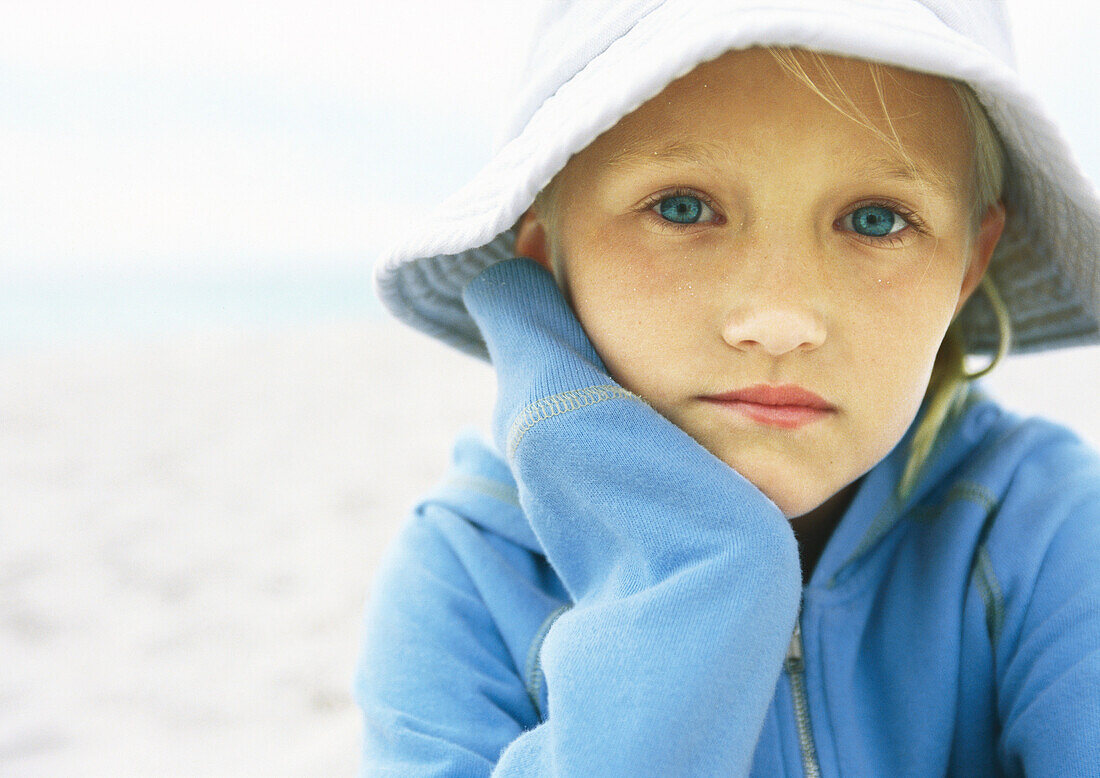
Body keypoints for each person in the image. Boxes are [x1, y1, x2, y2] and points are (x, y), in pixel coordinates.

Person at [357, 1, 1100, 774]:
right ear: (547, 261)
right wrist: (704, 572)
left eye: (876, 220)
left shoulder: (1046, 529)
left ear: (968, 269)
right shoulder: (465, 579)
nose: (779, 321)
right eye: (684, 209)